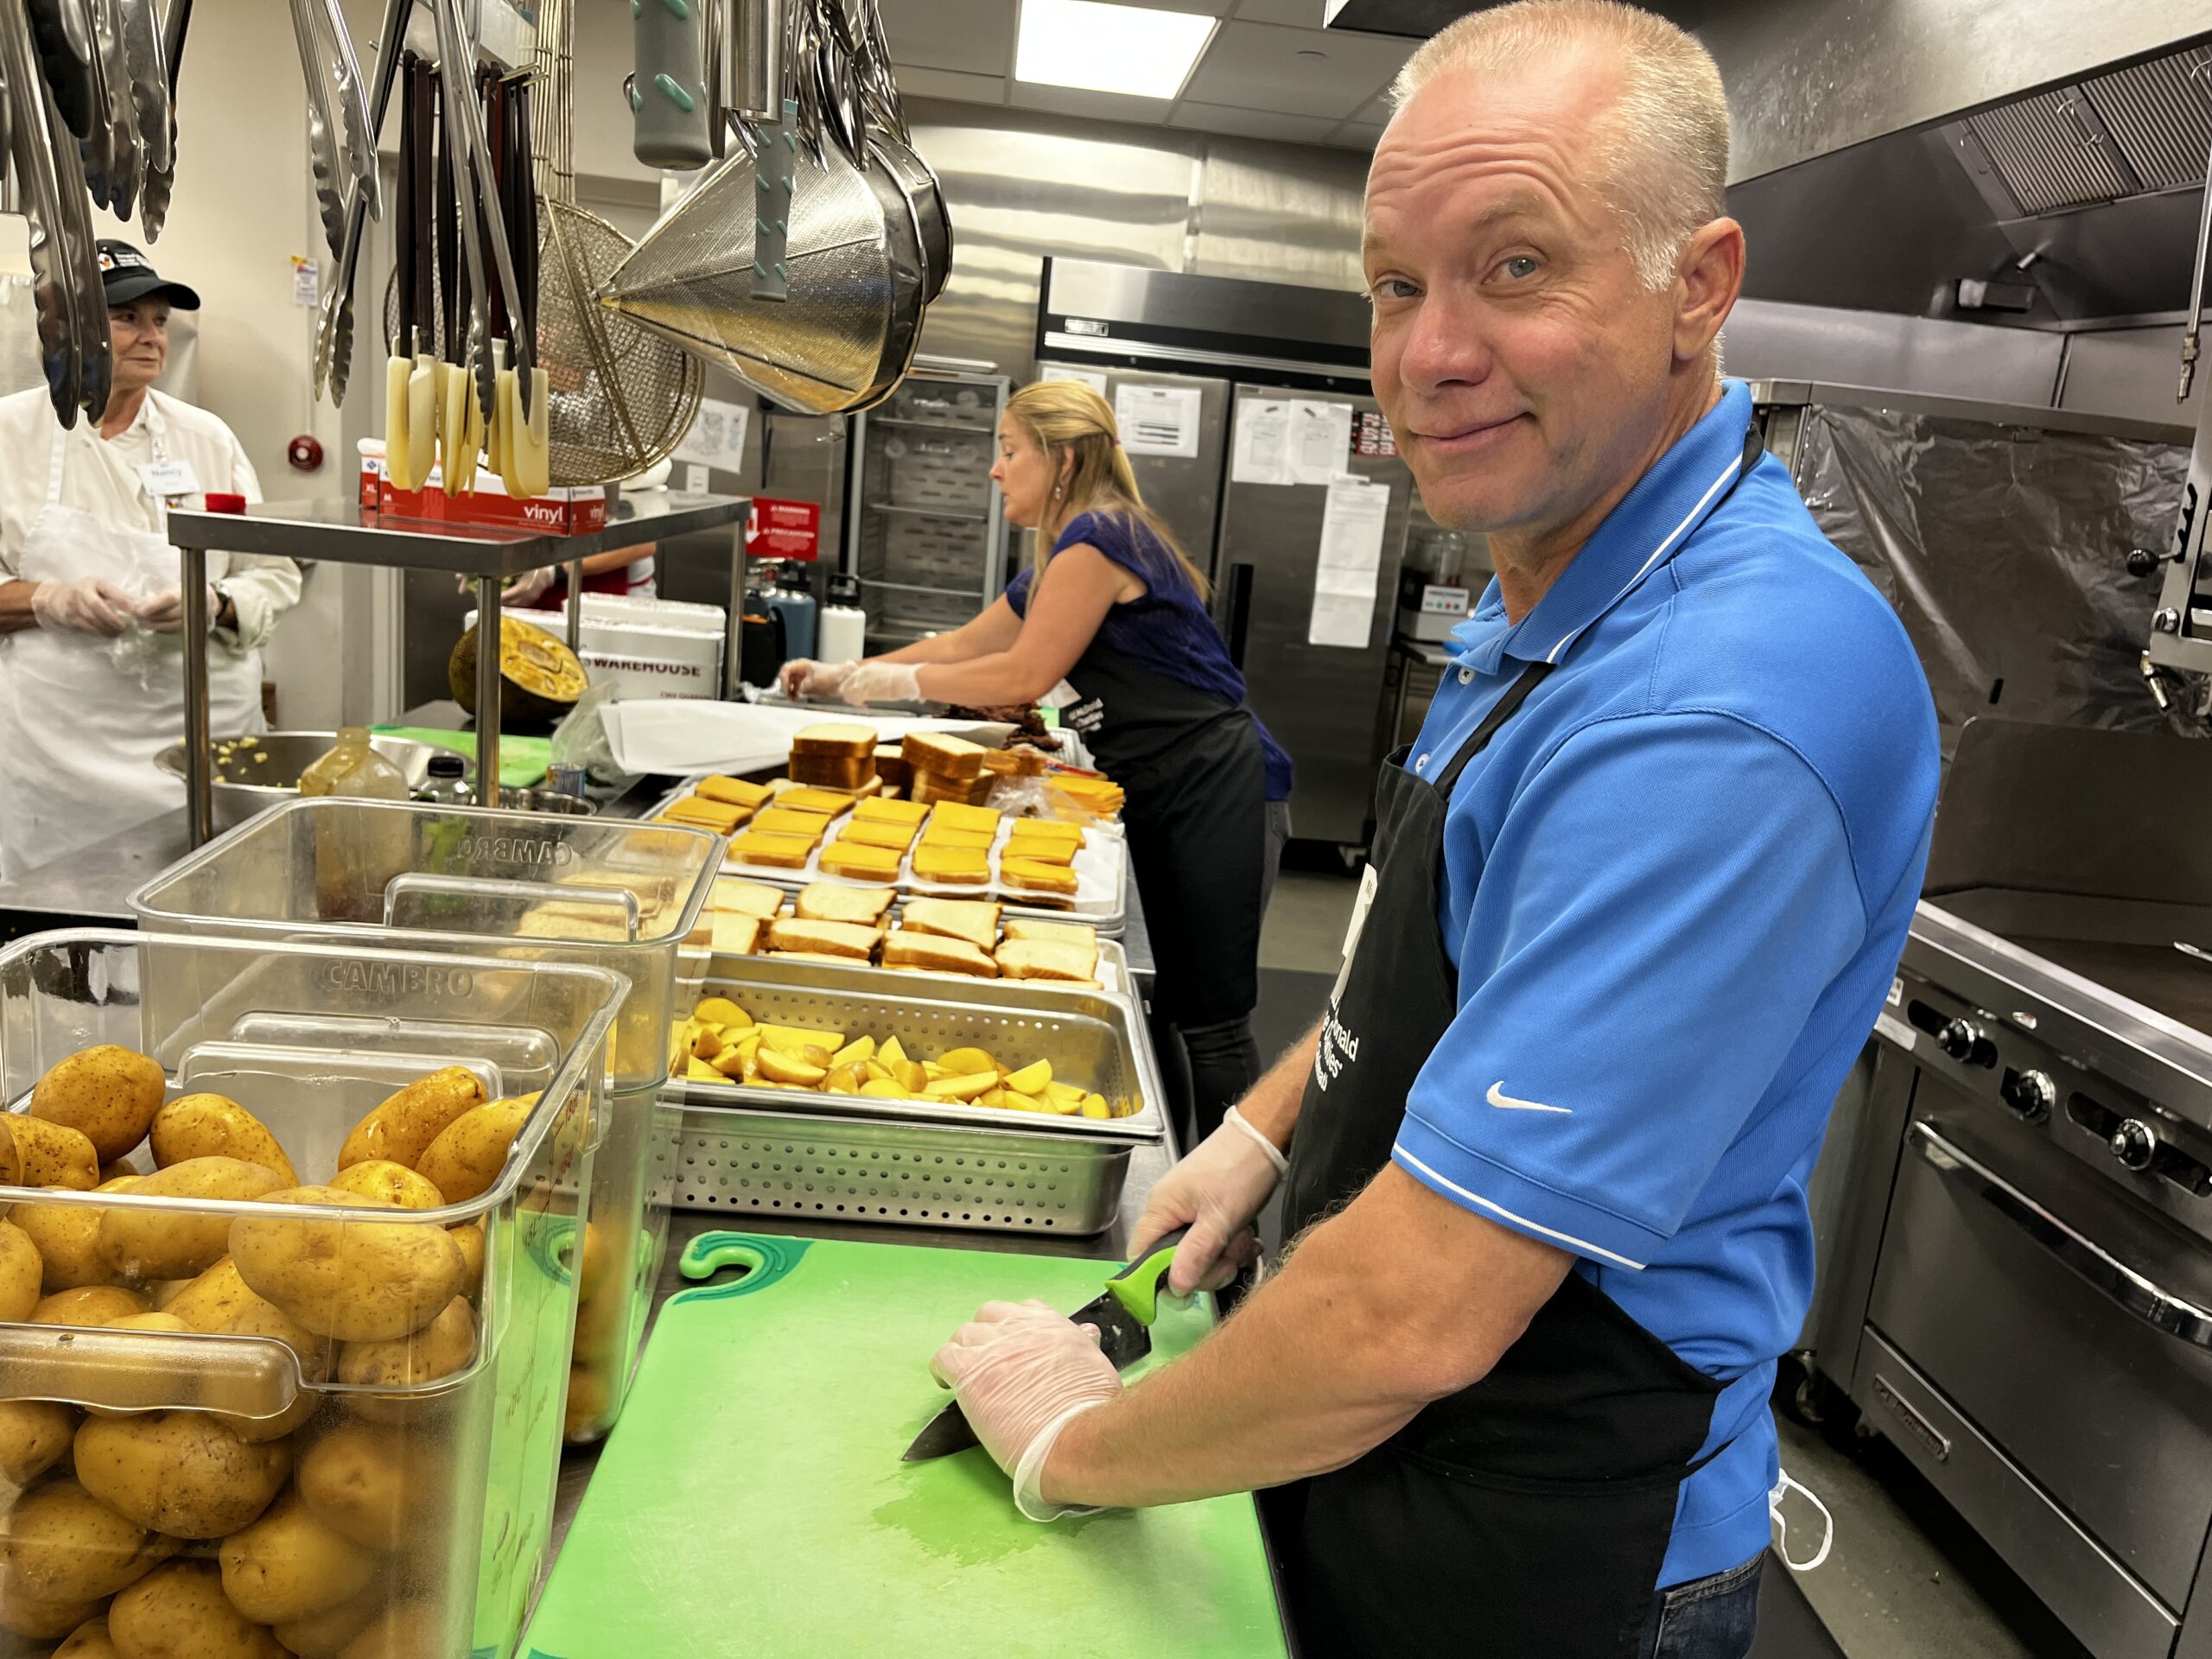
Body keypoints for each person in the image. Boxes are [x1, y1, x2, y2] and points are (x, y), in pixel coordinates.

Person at [923, 5, 1941, 1656]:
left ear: (1699, 284)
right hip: (1376, 1449)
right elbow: (1447, 972)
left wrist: (1069, 1444)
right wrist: (1267, 1134)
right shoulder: (1549, 589)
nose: (1429, 353)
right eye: (1398, 284)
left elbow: (1415, 1313)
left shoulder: (1725, 703)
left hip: (1549, 1535)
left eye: (1517, 267)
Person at [781, 382, 1295, 1145]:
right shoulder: (1064, 556)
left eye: (1010, 450)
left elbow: (1023, 671)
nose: (996, 470)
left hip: (1218, 786)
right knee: (1169, 1005)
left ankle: (1228, 1203)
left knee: (1210, 1018)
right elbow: (967, 645)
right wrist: (843, 675)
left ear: (1064, 460)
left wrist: (896, 685)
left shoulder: (1101, 537)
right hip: (1162, 785)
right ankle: (1183, 1170)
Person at [0, 241, 300, 878]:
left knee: (211, 901)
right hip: (59, 763)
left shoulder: (206, 437)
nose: (153, 338)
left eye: (160, 320)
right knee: (62, 915)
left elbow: (273, 574)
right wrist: (48, 601)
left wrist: (214, 603)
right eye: (127, 318)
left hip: (204, 744)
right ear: (65, 330)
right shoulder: (9, 435)